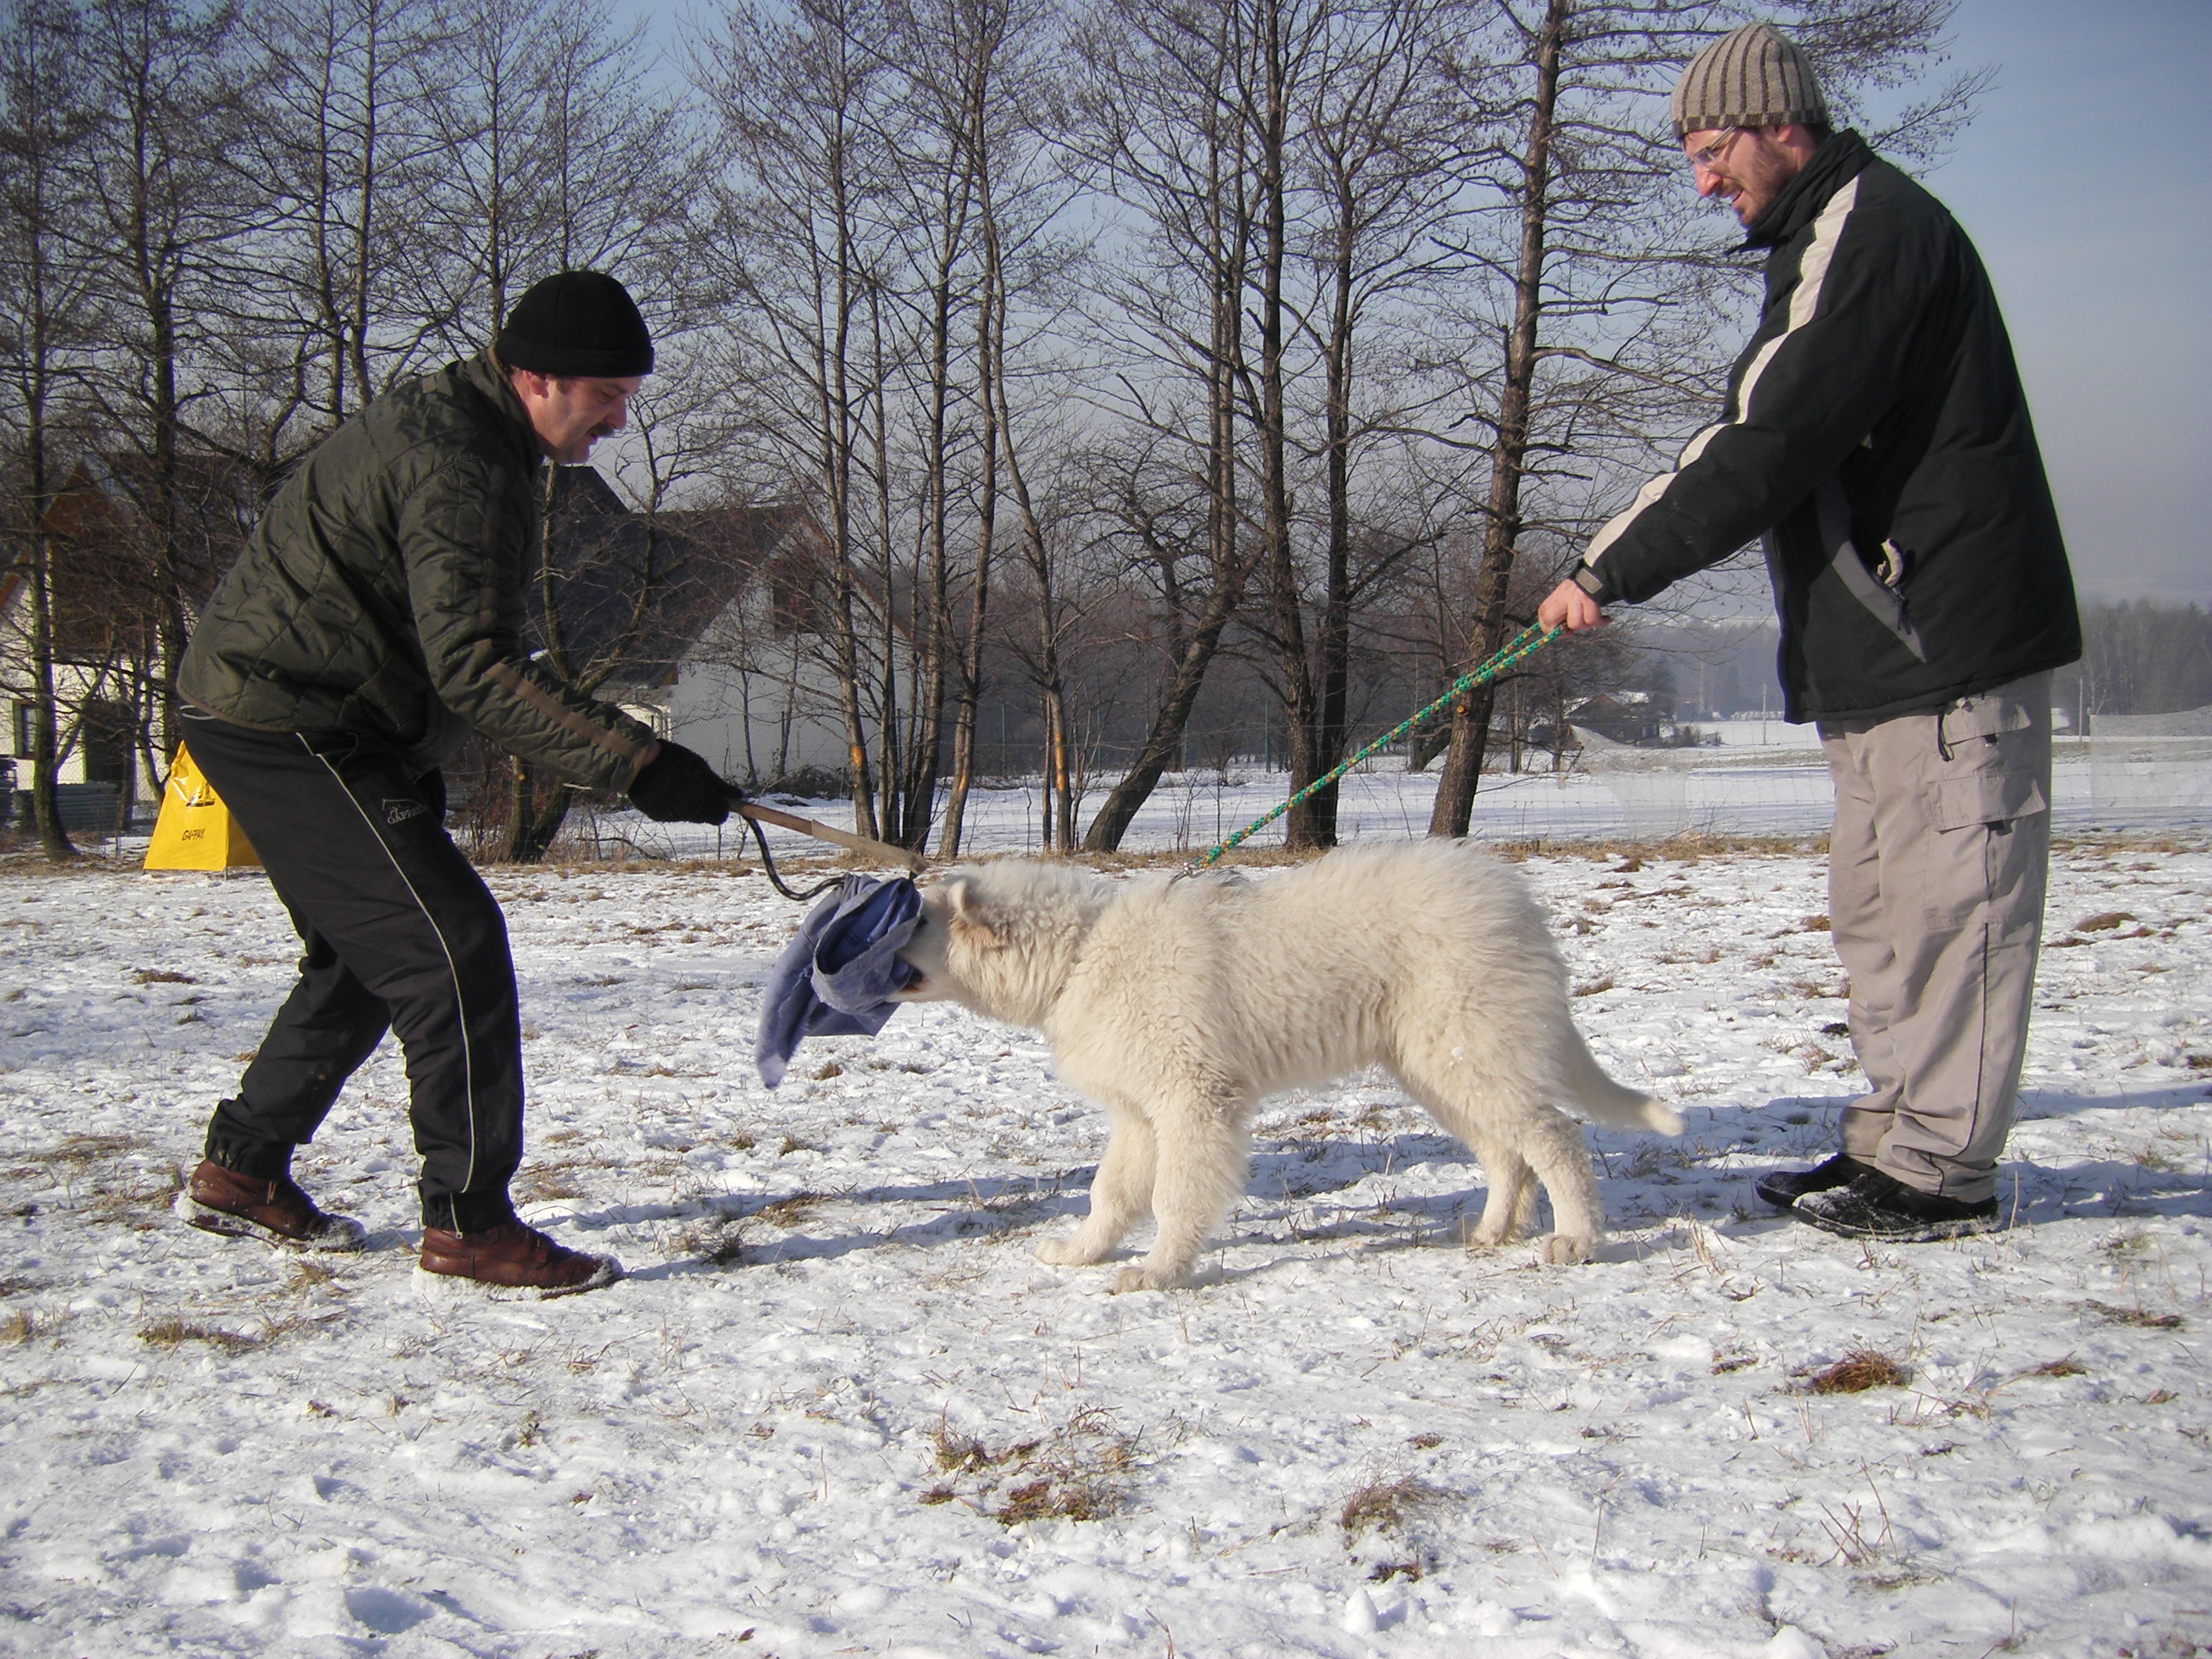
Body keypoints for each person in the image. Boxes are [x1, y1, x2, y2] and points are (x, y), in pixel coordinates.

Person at [1535, 24, 2080, 1242]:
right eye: (1689, 154)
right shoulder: (1818, 244)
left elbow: (1765, 436)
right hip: (1876, 655)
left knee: (1957, 909)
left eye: (1713, 147)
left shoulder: (1874, 230)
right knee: (1882, 912)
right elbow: (1764, 425)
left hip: (1947, 643)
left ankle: (1943, 1176)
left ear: (1786, 124)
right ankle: (1894, 1141)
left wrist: (1606, 569)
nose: (1702, 180)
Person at [171, 270, 739, 1296]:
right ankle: (471, 1225)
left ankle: (241, 1169)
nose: (619, 419)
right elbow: (474, 666)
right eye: (607, 395)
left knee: (368, 955)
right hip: (286, 718)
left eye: (628, 396)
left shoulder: (477, 435)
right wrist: (642, 764)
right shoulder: (463, 461)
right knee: (450, 946)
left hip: (328, 717)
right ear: (535, 378)